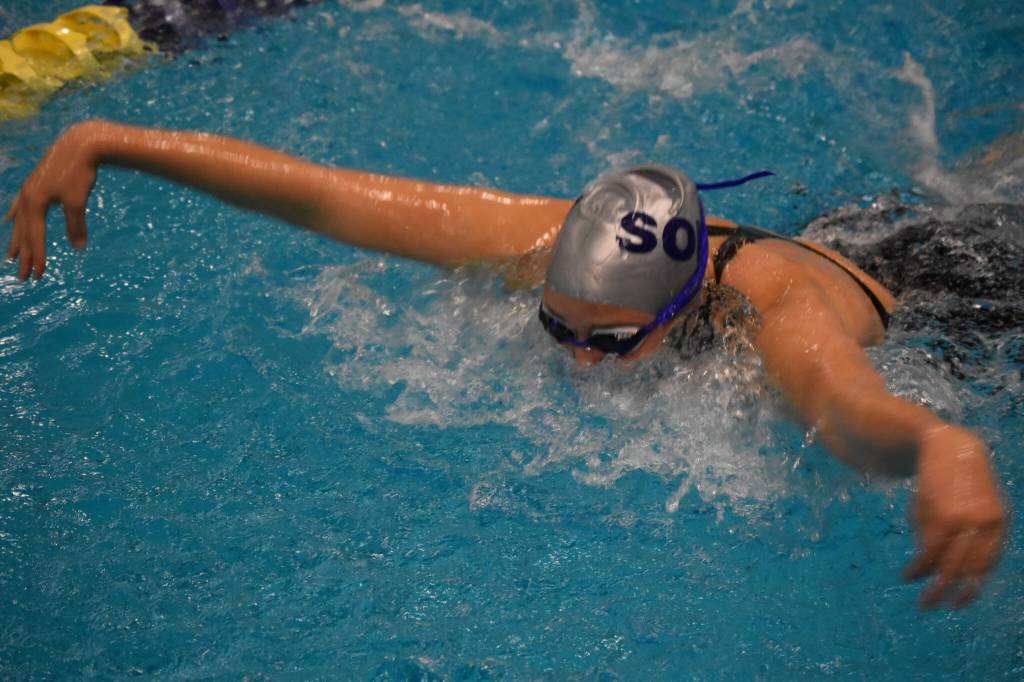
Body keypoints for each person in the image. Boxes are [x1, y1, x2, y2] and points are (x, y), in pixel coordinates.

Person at [4, 119, 1007, 608]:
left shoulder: (773, 318)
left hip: (970, 292)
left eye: (605, 342)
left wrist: (940, 440)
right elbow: (326, 195)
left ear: (679, 307)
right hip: (862, 225)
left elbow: (843, 407)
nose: (577, 358)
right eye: (555, 327)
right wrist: (110, 137)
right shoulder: (542, 238)